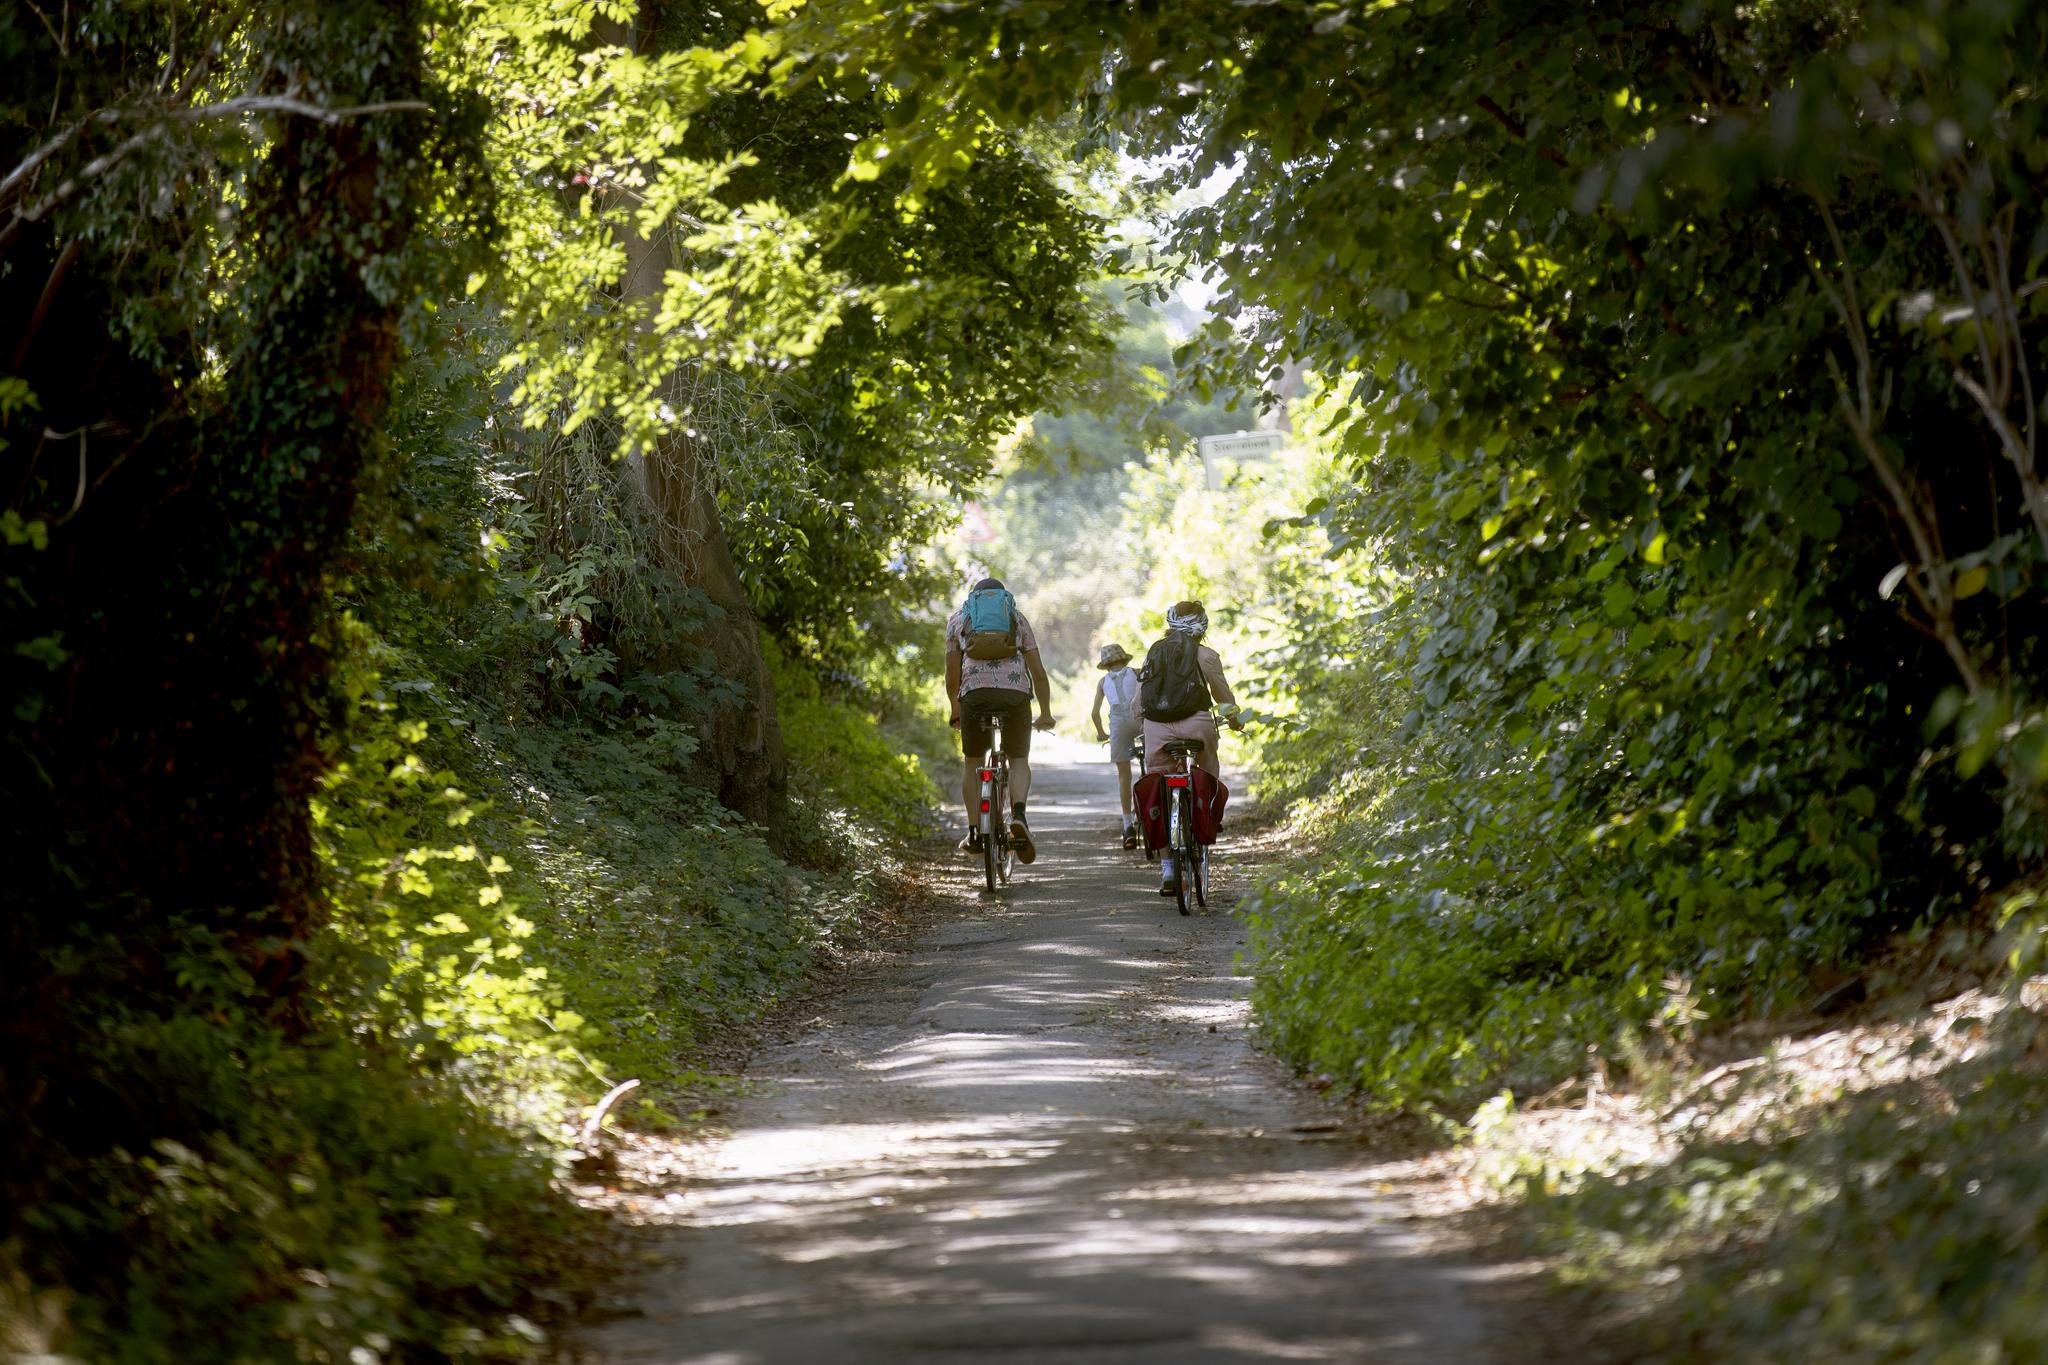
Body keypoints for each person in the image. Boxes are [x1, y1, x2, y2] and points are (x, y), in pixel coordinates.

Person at [945, 576, 1055, 863]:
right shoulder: (1016, 619)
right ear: (1003, 599)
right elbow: (1038, 672)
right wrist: (1045, 712)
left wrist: (955, 709)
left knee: (972, 762)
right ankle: (1018, 815)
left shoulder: (958, 620)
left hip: (974, 696)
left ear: (974, 599)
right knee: (1018, 760)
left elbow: (952, 676)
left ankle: (973, 832)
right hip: (1015, 696)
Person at [1138, 599, 1243, 893]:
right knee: (1207, 772)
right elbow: (1223, 697)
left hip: (1156, 727)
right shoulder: (1206, 655)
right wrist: (1234, 720)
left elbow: (1139, 698)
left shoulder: (1154, 652)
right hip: (1197, 724)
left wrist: (1141, 723)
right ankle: (1206, 813)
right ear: (1202, 627)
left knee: (1157, 784)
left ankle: (1168, 868)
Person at [1089, 642, 1143, 849]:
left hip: (1119, 725)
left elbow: (1095, 714)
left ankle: (1128, 826)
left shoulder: (1103, 682)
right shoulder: (1136, 673)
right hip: (1140, 719)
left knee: (1124, 775)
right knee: (1153, 764)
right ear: (1124, 659)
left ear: (1106, 665)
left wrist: (1102, 733)